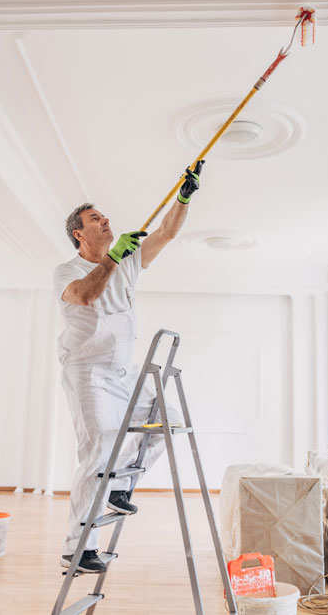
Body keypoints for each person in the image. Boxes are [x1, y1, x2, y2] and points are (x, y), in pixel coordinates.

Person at [53, 161, 204, 573]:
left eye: (104, 216)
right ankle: (77, 548)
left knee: (167, 420)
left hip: (121, 373)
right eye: (94, 219)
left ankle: (120, 485)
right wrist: (113, 260)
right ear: (78, 234)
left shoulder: (129, 259)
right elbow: (85, 296)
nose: (105, 221)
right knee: (98, 446)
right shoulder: (68, 271)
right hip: (86, 373)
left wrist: (184, 196)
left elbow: (167, 232)